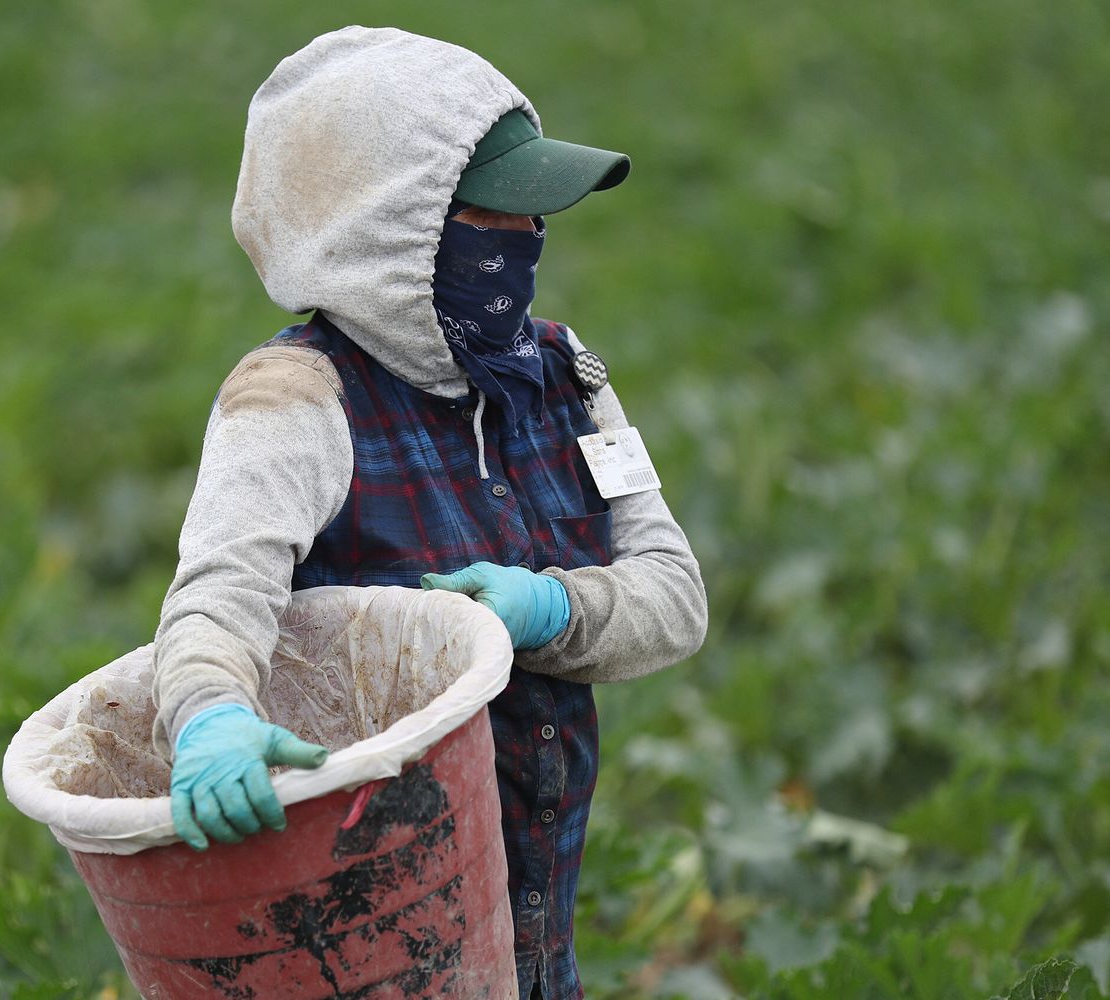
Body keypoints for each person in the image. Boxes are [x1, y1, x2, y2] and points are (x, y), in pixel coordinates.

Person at [150, 26, 708, 1000]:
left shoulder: (567, 379)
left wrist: (551, 609)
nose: (527, 243)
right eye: (497, 216)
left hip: (531, 903)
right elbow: (219, 586)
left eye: (536, 218)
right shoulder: (293, 397)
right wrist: (208, 715)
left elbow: (673, 594)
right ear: (388, 227)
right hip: (361, 910)